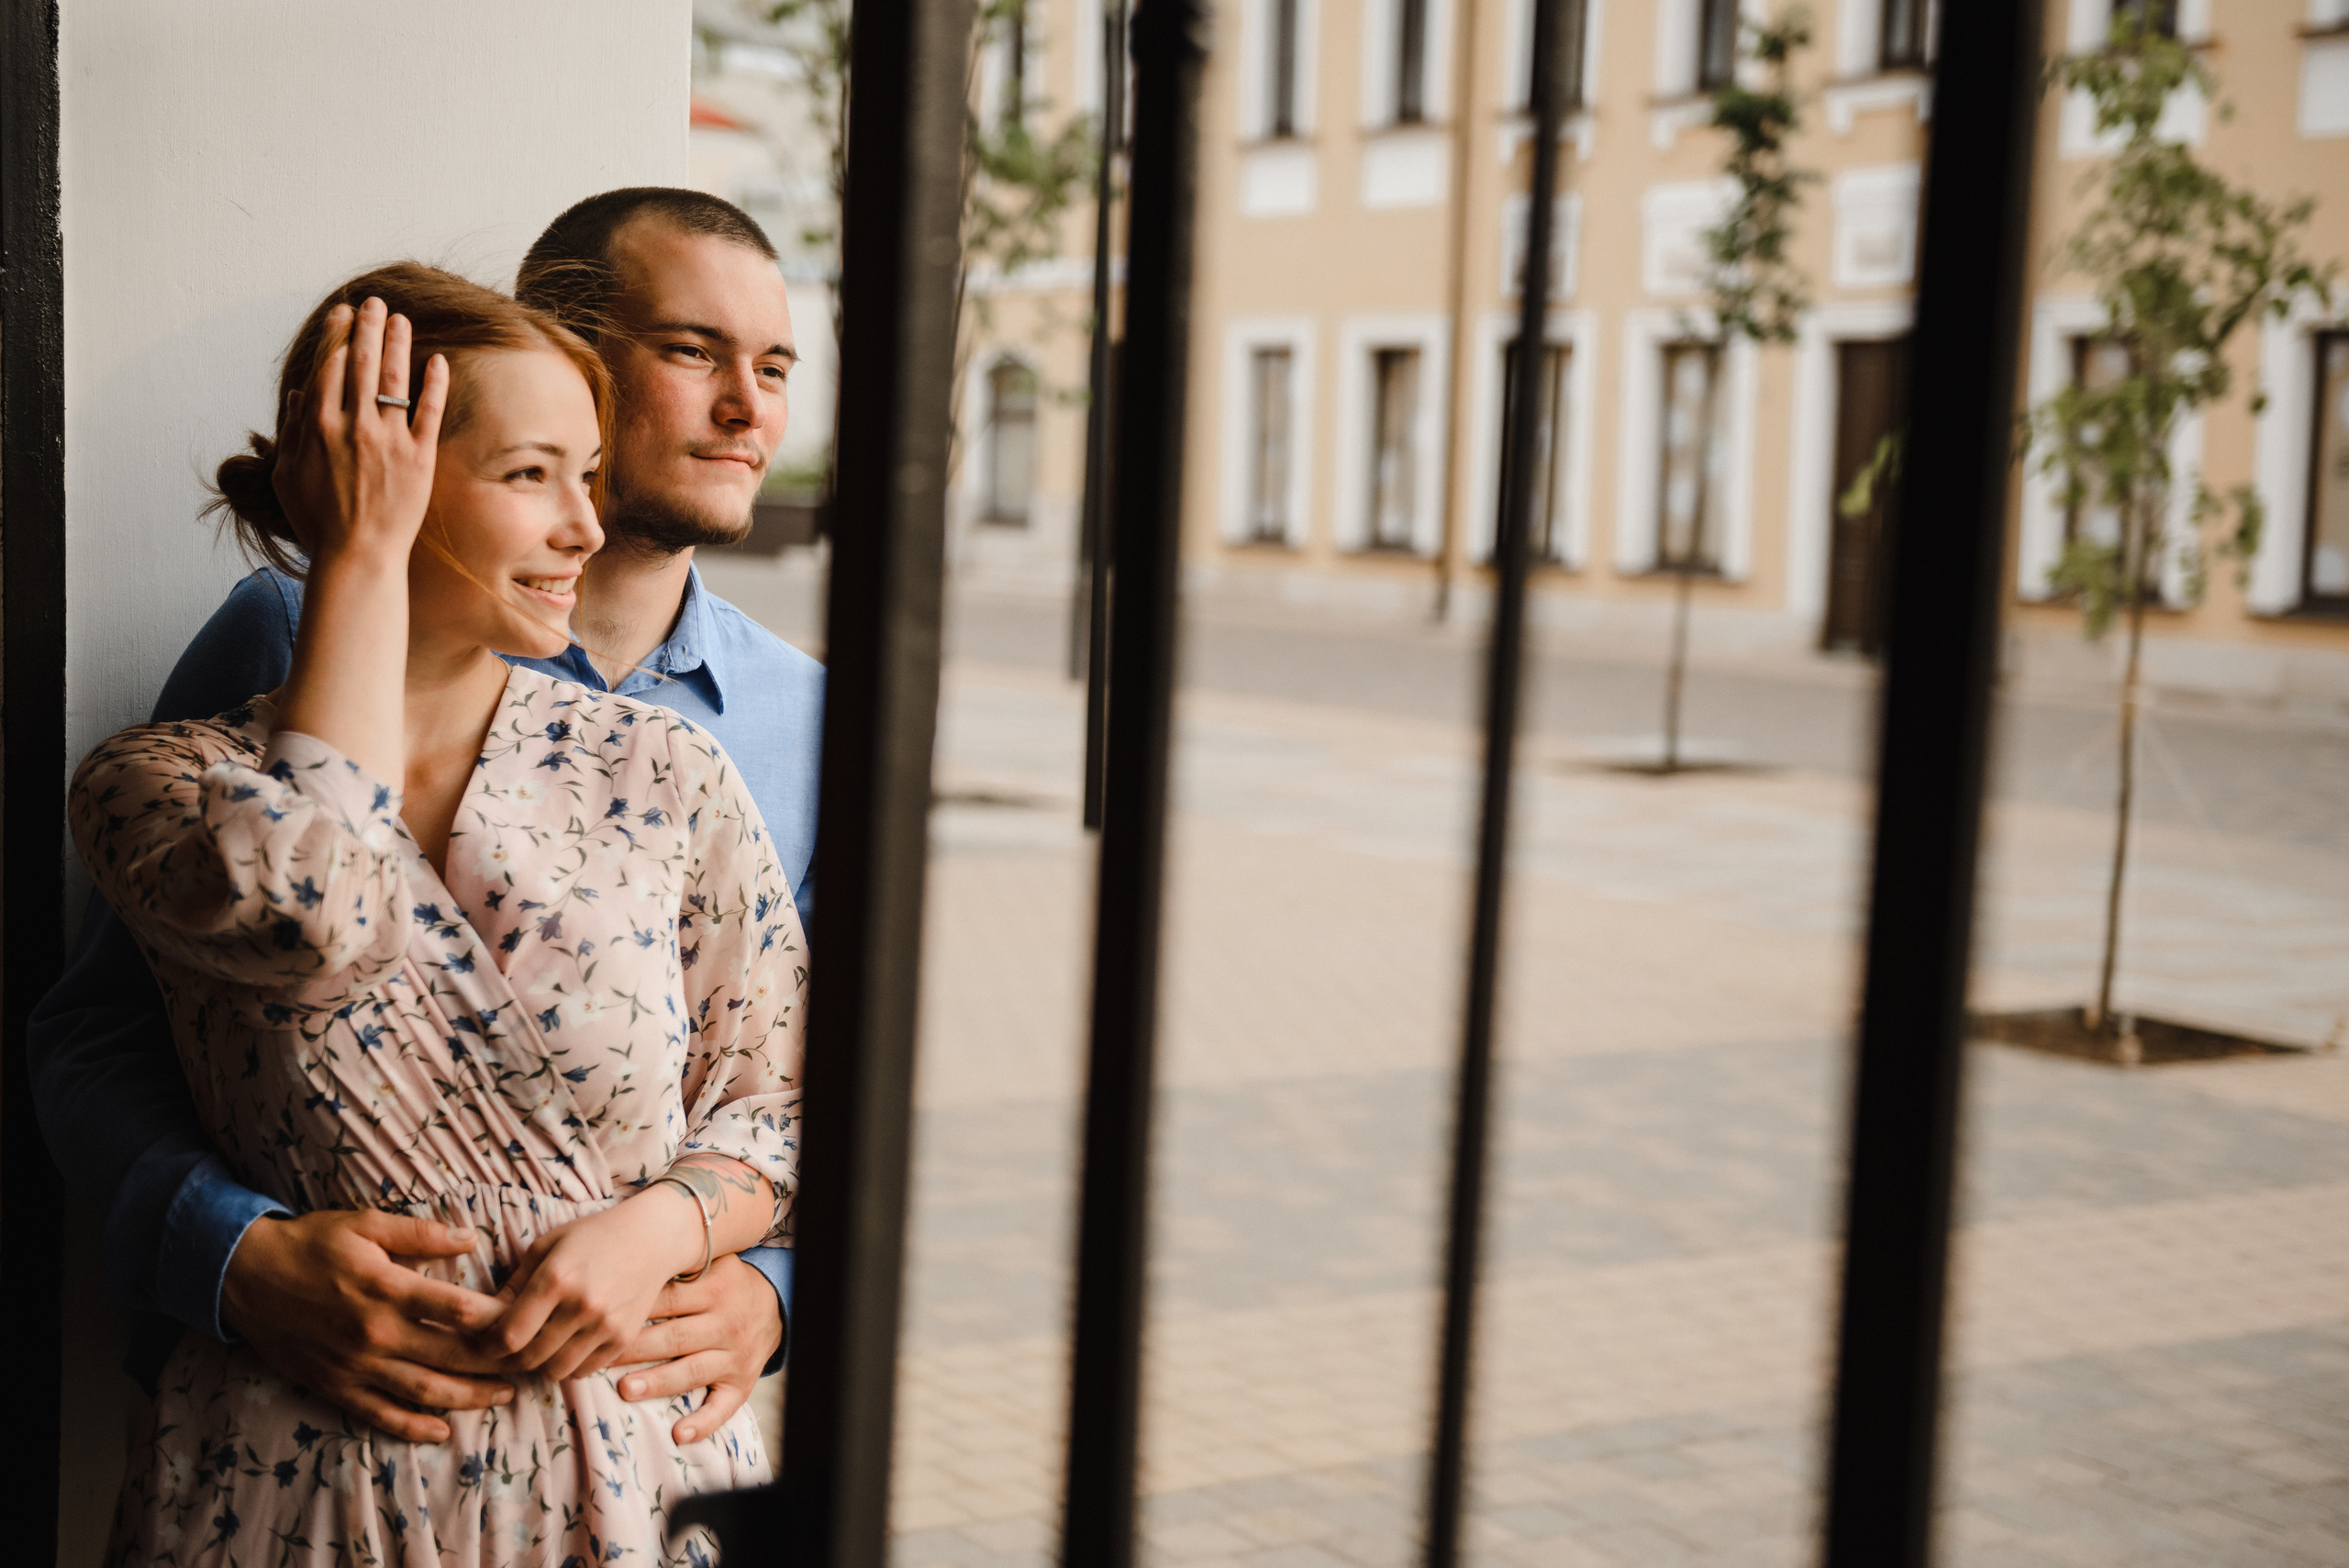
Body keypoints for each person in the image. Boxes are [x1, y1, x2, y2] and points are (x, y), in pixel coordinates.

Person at [28, 190, 820, 1460]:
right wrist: (231, 1256)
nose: (749, 407)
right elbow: (108, 1026)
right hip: (299, 1437)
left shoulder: (787, 723)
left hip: (626, 1439)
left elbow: (794, 1082)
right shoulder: (282, 642)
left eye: (775, 365)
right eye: (691, 351)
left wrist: (766, 1289)